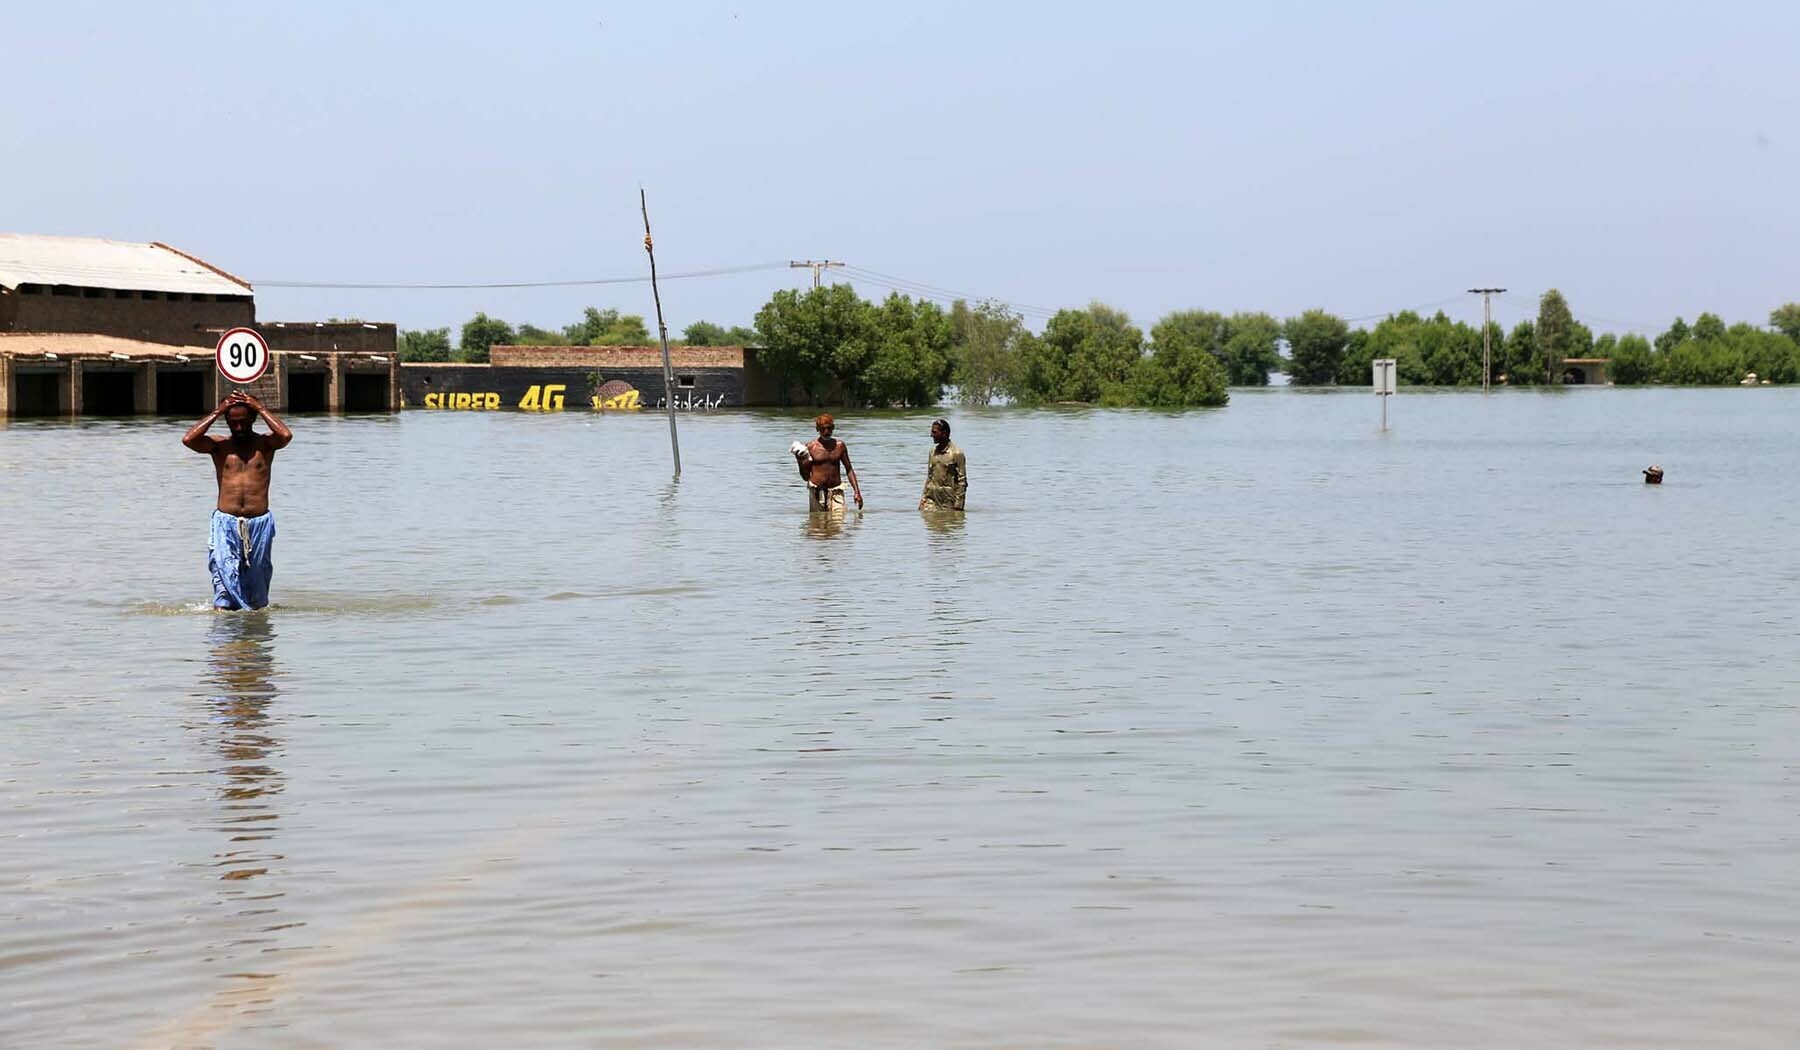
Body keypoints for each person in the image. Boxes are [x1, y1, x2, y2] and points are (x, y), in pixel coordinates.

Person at [183, 391, 292, 610]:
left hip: (259, 523)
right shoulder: (219, 446)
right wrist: (218, 411)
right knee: (223, 579)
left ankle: (254, 638)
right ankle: (224, 634)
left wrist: (259, 407)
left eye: (243, 422)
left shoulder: (265, 445)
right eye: (233, 423)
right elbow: (189, 440)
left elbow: (285, 436)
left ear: (252, 419)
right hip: (226, 523)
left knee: (257, 590)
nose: (239, 428)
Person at [793, 413, 863, 512]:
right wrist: (799, 461)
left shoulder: (840, 446)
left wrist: (857, 492)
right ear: (817, 429)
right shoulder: (810, 447)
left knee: (838, 523)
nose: (826, 431)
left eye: (829, 428)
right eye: (823, 429)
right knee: (816, 524)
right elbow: (805, 477)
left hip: (836, 491)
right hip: (817, 491)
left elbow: (849, 469)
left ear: (833, 428)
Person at [918, 418, 967, 511]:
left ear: (944, 433)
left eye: (934, 432)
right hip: (930, 500)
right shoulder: (932, 452)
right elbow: (929, 477)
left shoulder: (957, 453)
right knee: (929, 524)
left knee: (947, 523)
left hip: (947, 501)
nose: (931, 435)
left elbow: (962, 481)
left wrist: (959, 504)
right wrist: (923, 499)